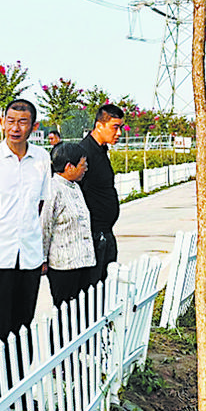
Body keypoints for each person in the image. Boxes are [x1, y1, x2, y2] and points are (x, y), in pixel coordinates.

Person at [0, 99, 50, 342]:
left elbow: (41, 204)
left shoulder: (42, 158)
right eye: (10, 121)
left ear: (33, 127)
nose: (15, 128)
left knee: (23, 325)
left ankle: (22, 377)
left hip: (29, 256)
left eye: (22, 122)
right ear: (2, 123)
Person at [41, 142, 97, 307]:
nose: (85, 168)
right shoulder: (52, 189)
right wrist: (42, 259)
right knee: (64, 315)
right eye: (82, 164)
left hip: (84, 262)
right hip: (64, 266)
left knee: (83, 314)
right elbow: (45, 226)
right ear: (69, 166)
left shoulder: (75, 187)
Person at [79, 104, 125, 287]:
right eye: (115, 127)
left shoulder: (102, 151)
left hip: (105, 232)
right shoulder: (84, 153)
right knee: (94, 289)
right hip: (94, 235)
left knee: (107, 286)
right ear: (99, 126)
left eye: (120, 127)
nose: (119, 133)